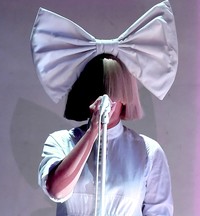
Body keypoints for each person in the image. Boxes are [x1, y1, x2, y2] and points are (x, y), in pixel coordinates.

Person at [30, 1, 178, 215]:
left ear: (126, 96)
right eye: (96, 91)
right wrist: (92, 132)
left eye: (114, 91)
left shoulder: (149, 152)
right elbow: (57, 190)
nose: (105, 99)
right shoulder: (60, 142)